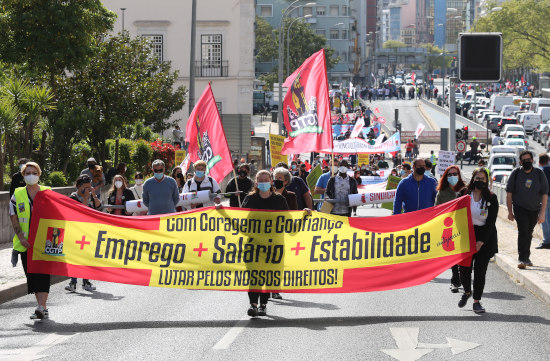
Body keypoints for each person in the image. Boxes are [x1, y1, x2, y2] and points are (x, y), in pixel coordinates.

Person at [242, 170, 289, 316]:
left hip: (273, 245)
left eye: (266, 179)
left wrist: (305, 215)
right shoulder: (250, 199)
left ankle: (263, 304)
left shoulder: (279, 200)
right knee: (254, 275)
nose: (263, 182)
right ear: (256, 183)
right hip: (253, 244)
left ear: (271, 182)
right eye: (260, 180)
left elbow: (288, 221)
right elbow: (240, 219)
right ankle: (253, 305)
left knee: (268, 275)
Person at [9, 162, 51, 320]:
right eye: (27, 173)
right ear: (23, 175)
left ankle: (41, 306)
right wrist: (20, 237)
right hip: (25, 243)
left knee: (43, 274)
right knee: (32, 275)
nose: (31, 175)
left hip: (43, 242)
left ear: (39, 175)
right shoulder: (18, 194)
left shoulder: (48, 192)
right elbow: (13, 217)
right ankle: (42, 307)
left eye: (34, 172)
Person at [458, 168, 499, 313]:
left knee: (480, 270)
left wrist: (481, 241)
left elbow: (491, 222)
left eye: (482, 179)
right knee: (464, 268)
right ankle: (467, 291)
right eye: (477, 178)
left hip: (485, 236)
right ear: (473, 179)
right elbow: (455, 214)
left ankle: (477, 301)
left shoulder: (492, 198)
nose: (479, 181)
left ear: (486, 181)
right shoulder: (464, 194)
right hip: (467, 234)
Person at [506, 150, 549, 269]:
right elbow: (509, 193)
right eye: (524, 160)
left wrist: (542, 213)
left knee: (529, 232)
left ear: (532, 160)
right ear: (520, 162)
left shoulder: (539, 174)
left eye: (528, 160)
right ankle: (522, 258)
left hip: (534, 209)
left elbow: (544, 194)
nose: (527, 162)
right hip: (520, 208)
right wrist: (510, 212)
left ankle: (526, 257)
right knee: (523, 229)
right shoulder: (516, 174)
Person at [66, 174, 103, 292]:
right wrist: (86, 198)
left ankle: (86, 281)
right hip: (76, 231)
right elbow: (81, 212)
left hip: (89, 231)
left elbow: (99, 207)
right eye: (85, 187)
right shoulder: (73, 197)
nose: (87, 189)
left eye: (89, 187)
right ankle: (73, 282)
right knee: (74, 258)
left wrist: (93, 195)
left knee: (87, 257)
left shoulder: (91, 196)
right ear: (78, 186)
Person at [436, 165, 467, 293]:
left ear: (459, 175)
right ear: (445, 176)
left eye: (455, 174)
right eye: (450, 174)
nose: (452, 177)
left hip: (464, 227)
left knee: (463, 257)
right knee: (453, 256)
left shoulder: (466, 190)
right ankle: (455, 281)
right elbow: (437, 210)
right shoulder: (442, 192)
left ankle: (464, 279)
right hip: (449, 228)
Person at [537, 153, 550, 249]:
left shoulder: (541, 171)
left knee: (543, 219)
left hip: (545, 198)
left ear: (539, 162)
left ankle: (546, 241)